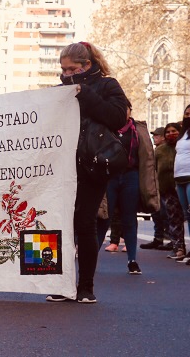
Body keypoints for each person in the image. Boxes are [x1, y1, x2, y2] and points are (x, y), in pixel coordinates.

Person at [46, 41, 129, 304]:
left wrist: (84, 92)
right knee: (57, 224)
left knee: (85, 223)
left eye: (71, 69)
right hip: (62, 165)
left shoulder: (108, 86)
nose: (67, 74)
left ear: (87, 66)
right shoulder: (60, 90)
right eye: (63, 70)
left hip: (93, 165)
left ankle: (85, 287)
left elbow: (118, 118)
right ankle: (59, 284)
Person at [96, 112, 158, 275]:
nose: (122, 111)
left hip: (131, 175)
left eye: (126, 108)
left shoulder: (138, 129)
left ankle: (132, 260)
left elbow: (147, 156)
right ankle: (91, 259)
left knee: (129, 218)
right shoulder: (107, 127)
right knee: (104, 217)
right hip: (110, 176)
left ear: (130, 110)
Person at [148, 123, 183, 257]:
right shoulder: (160, 150)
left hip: (182, 185)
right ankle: (178, 247)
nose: (170, 134)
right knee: (173, 219)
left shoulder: (182, 148)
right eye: (167, 132)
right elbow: (154, 169)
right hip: (166, 189)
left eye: (174, 131)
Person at [141, 126, 173, 251]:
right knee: (157, 213)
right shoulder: (157, 150)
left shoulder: (167, 149)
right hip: (157, 186)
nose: (154, 138)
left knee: (167, 214)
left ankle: (171, 239)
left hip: (166, 186)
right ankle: (158, 238)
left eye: (157, 136)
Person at [172, 105, 190, 265]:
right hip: (179, 178)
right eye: (186, 114)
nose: (188, 116)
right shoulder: (183, 134)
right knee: (187, 215)